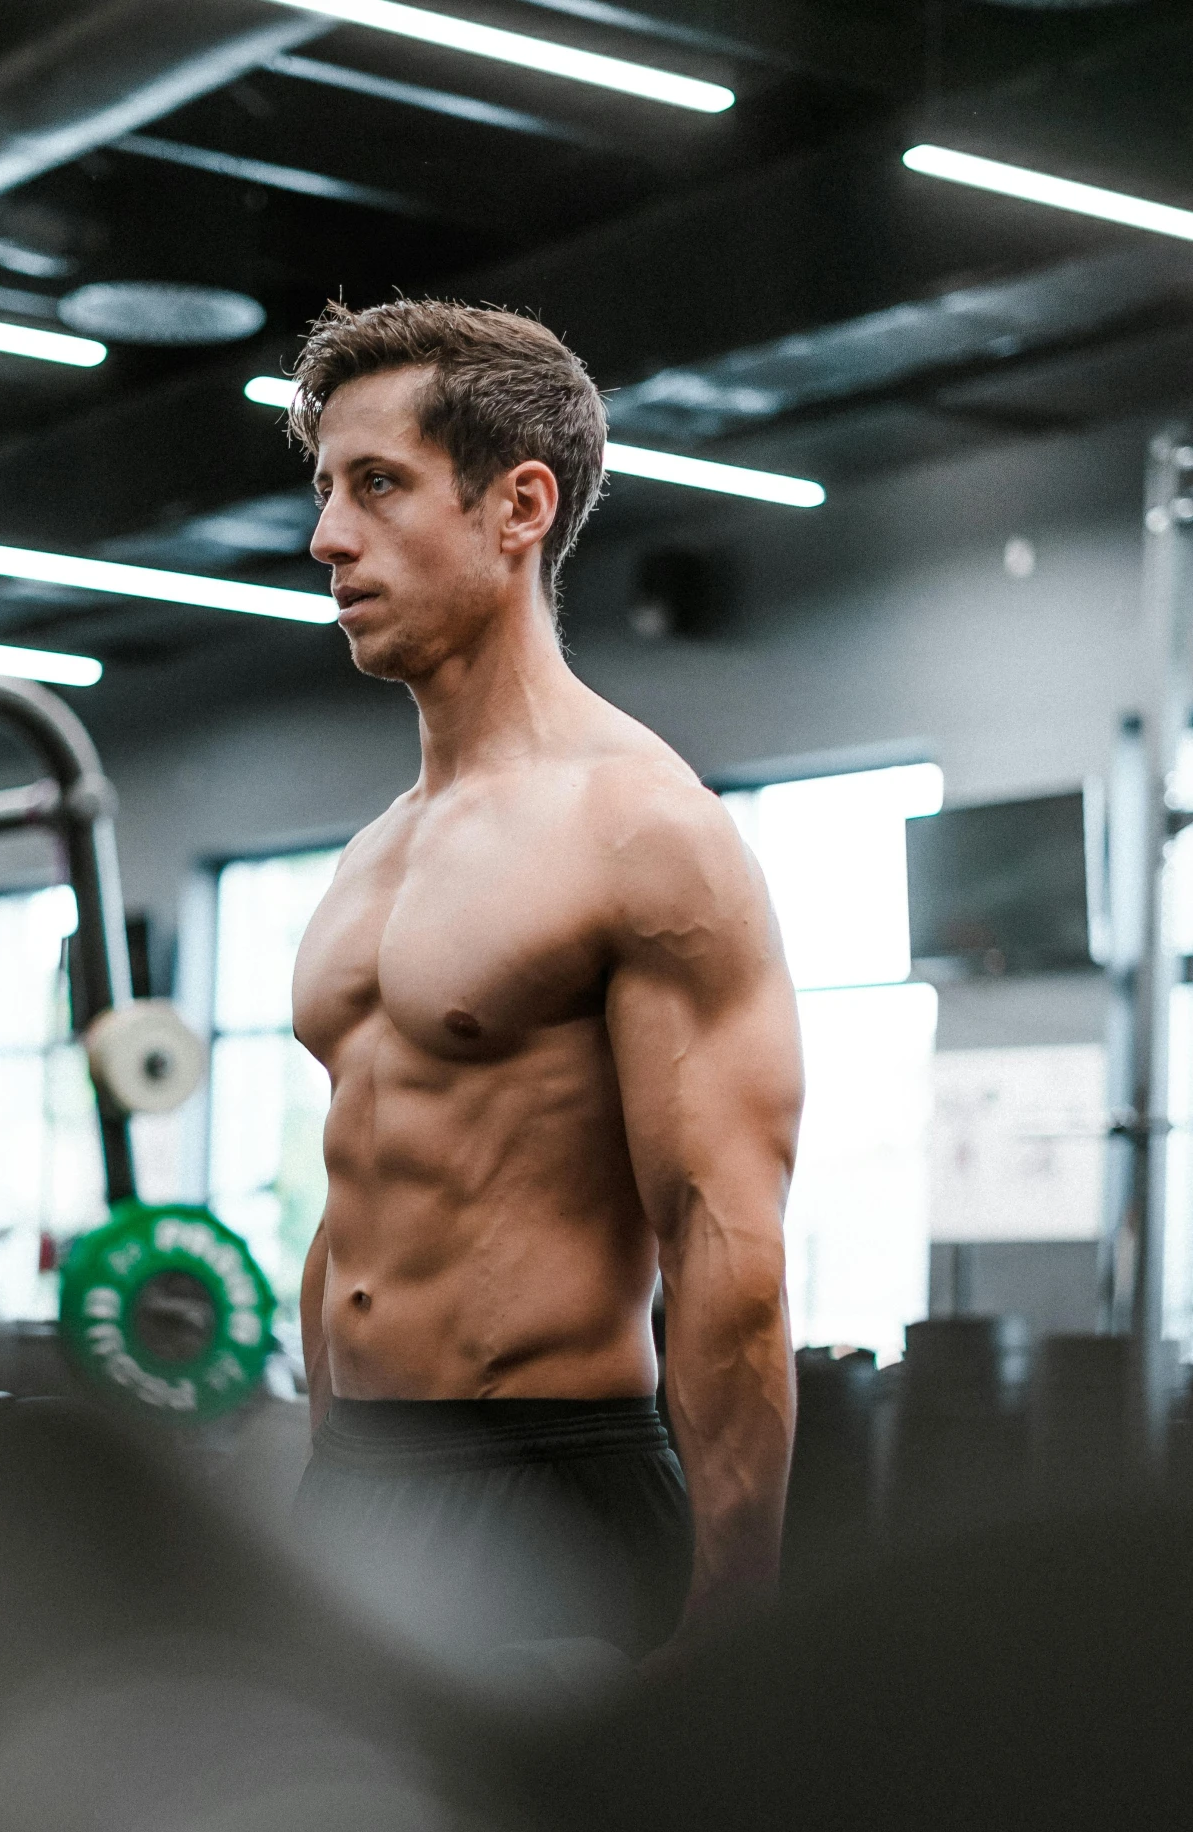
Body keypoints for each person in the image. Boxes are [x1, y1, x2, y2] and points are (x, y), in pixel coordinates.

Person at [286, 297, 802, 1661]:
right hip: (356, 1491)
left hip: (547, 1488)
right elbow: (356, 1208)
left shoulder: (639, 825)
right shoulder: (369, 855)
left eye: (376, 485)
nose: (326, 536)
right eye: (326, 488)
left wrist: (732, 1618)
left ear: (519, 506)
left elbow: (721, 1243)